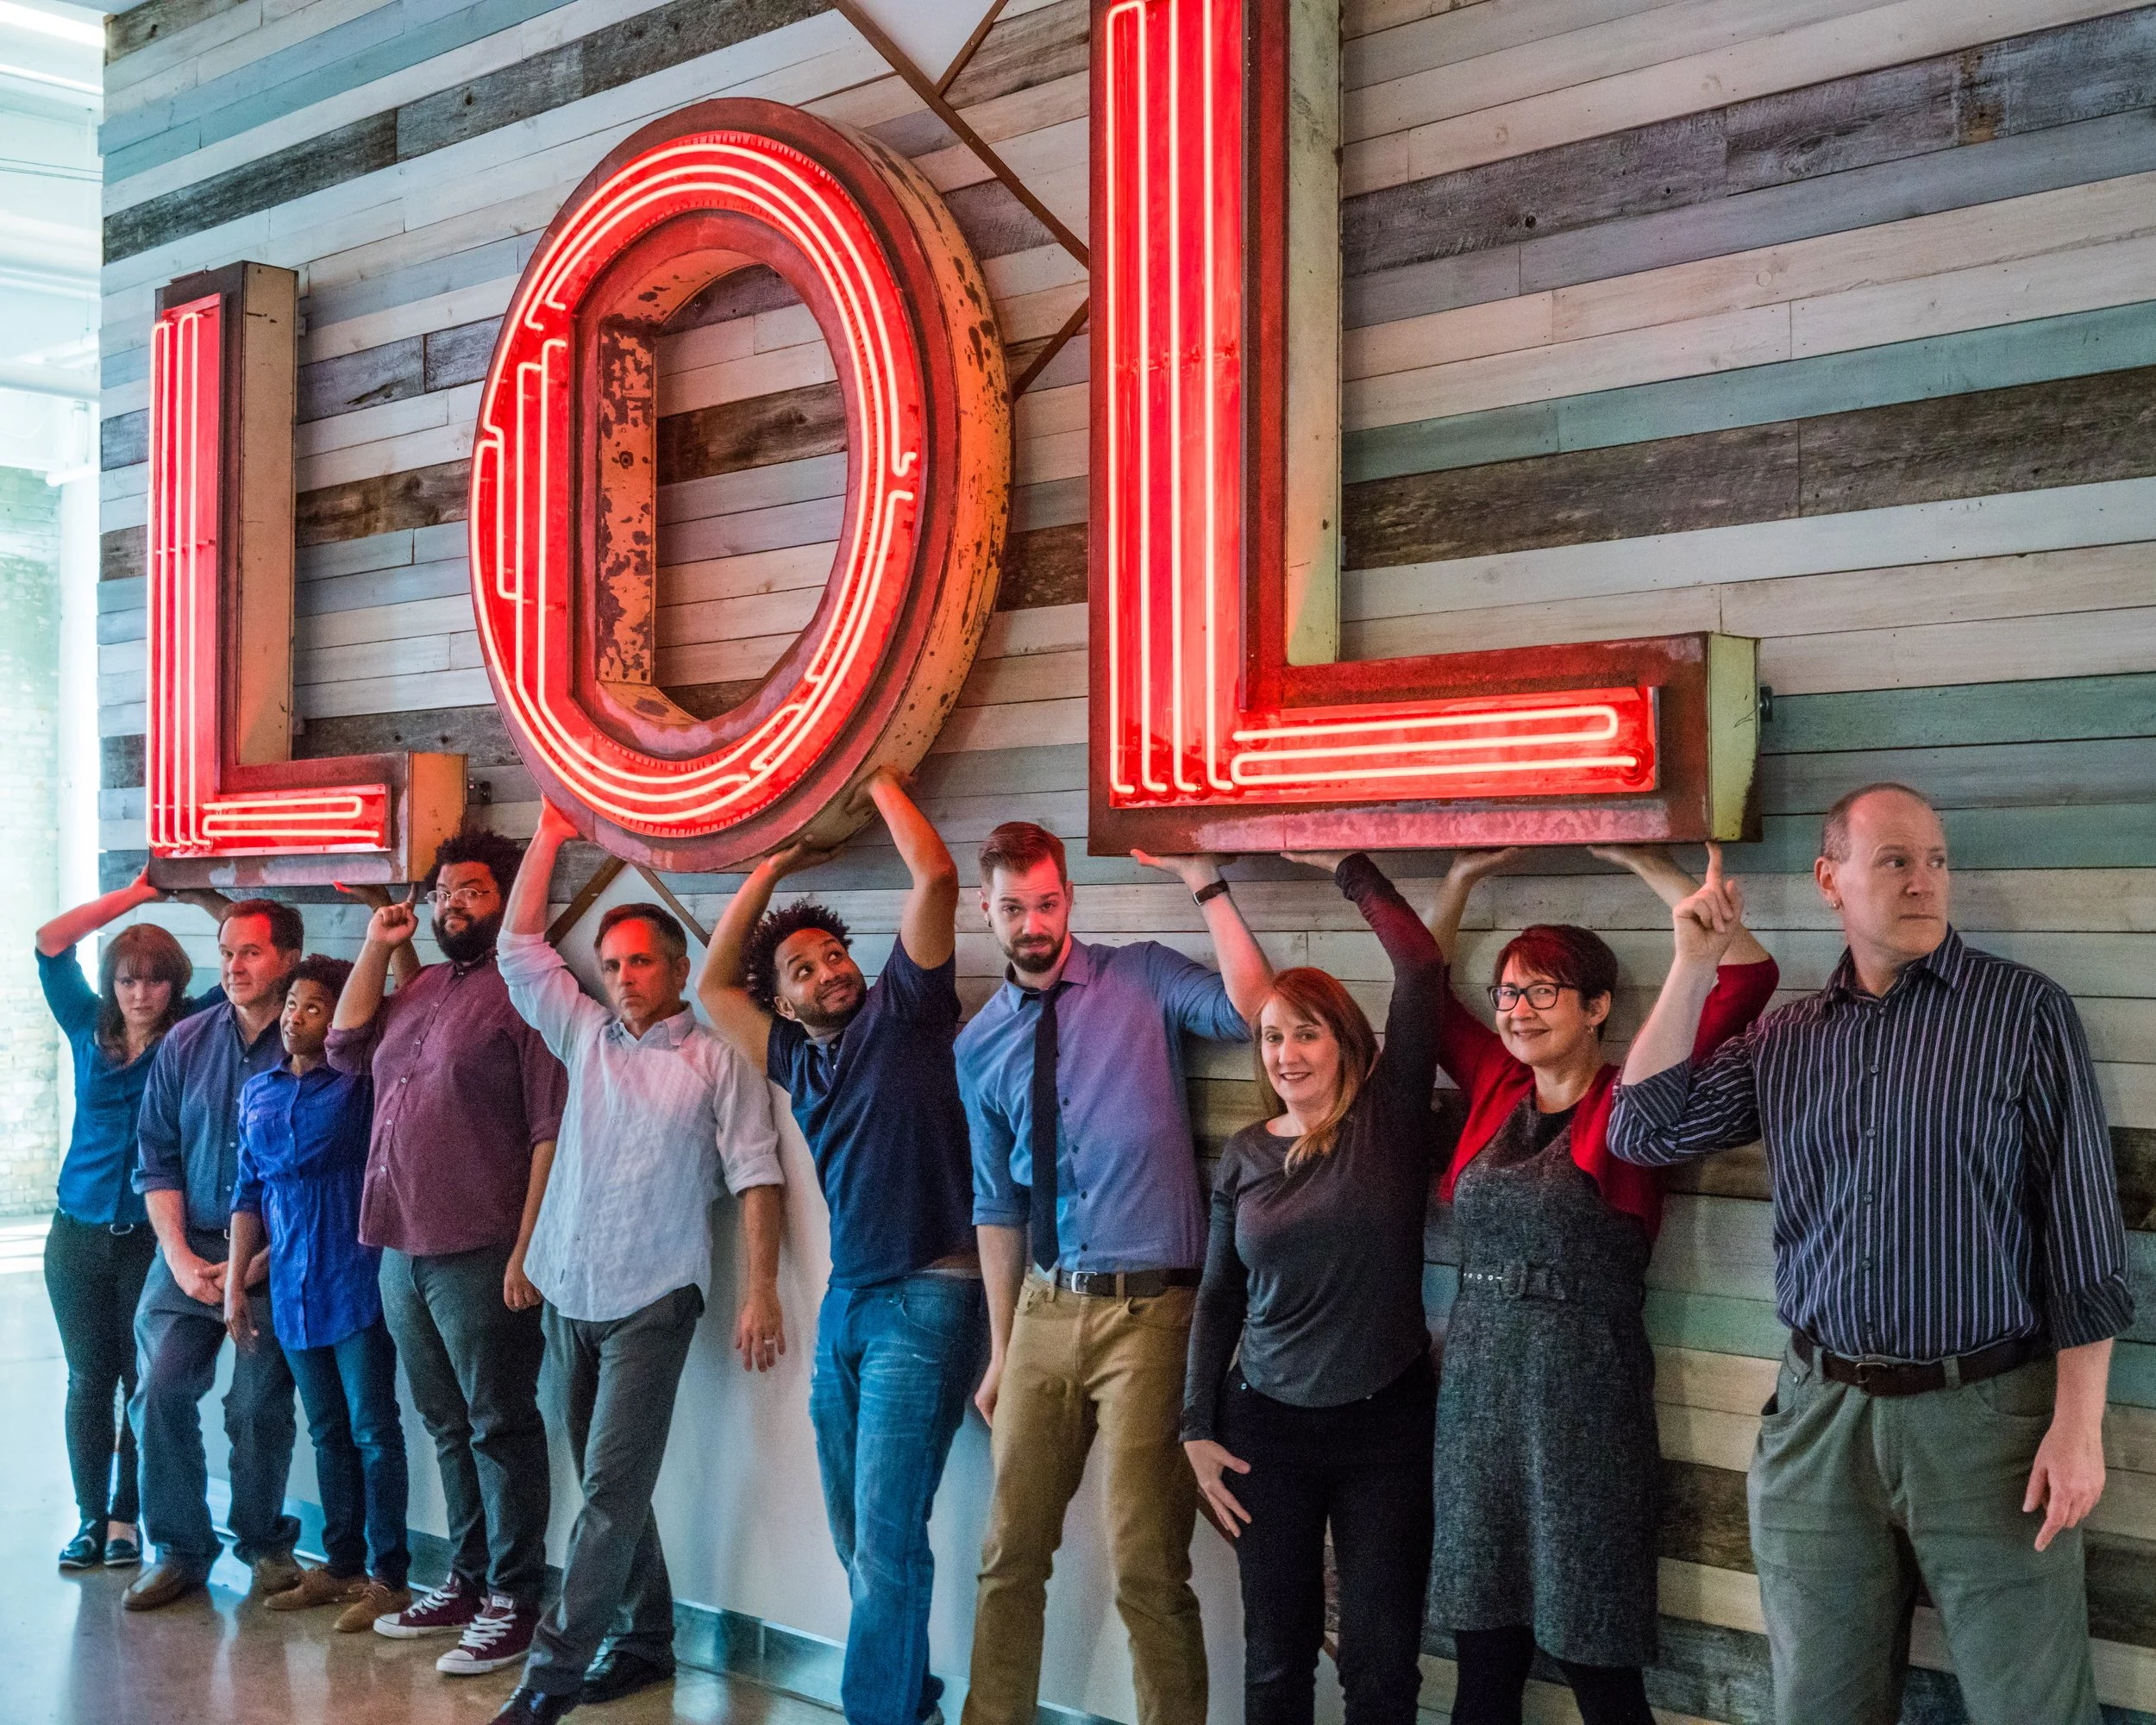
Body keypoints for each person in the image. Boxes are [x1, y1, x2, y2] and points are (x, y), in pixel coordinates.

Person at [1610, 785, 2132, 1725]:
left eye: (1935, 860)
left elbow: (2084, 1237)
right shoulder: (1788, 1036)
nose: (1923, 880)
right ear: (1829, 880)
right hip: (1820, 1421)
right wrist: (1692, 963)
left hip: (1989, 1422)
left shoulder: (2022, 1014)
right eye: (1893, 860)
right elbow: (1641, 1131)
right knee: (1820, 1702)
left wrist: (2077, 1424)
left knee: (2033, 1706)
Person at [1424, 844, 1779, 1725]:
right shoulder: (1493, 1083)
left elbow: (1747, 979)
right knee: (1482, 1657)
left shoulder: (1638, 1098)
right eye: (1508, 990)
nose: (1517, 1008)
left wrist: (1644, 862)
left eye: (1543, 989)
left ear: (1597, 1006)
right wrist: (1459, 881)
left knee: (1599, 1662)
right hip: (1474, 1394)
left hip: (1585, 1397)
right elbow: (1420, 993)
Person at [960, 823, 1274, 1725]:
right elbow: (996, 1204)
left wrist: (1204, 882)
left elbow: (1254, 1007)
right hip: (1044, 1310)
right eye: (1014, 905)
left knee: (1146, 1563)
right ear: (987, 909)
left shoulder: (1139, 975)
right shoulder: (976, 1045)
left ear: (1070, 900)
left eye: (1047, 900)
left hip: (1152, 1313)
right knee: (1008, 1552)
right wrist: (1001, 1346)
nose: (1032, 921)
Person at [490, 802, 788, 1725]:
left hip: (654, 1298)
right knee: (604, 1488)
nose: (622, 977)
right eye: (612, 963)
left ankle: (551, 1674)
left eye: (640, 961)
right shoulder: (583, 1036)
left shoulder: (715, 1057)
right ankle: (649, 1639)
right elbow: (517, 948)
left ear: (679, 968)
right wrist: (548, 833)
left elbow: (755, 1171)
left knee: (610, 1496)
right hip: (566, 1290)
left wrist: (762, 1290)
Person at [699, 766, 984, 1725]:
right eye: (805, 968)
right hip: (847, 1305)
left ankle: (881, 1713)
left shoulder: (907, 1012)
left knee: (890, 1534)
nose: (829, 971)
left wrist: (879, 774)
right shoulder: (794, 1059)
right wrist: (773, 863)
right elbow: (711, 983)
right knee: (858, 1529)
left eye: (833, 956)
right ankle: (912, 1695)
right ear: (783, 1004)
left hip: (932, 1299)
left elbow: (935, 878)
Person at [1181, 850, 1446, 1725]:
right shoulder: (1246, 1150)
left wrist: (1349, 867)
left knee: (1379, 1666)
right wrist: (1194, 1427)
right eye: (1271, 1034)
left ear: (1345, 1039)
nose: (1286, 1053)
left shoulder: (1391, 1117)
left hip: (1385, 1425)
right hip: (1267, 1429)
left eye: (1306, 1031)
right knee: (1275, 1664)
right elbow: (1219, 1297)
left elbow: (1419, 965)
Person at [328, 829, 567, 1675]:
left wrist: (527, 1249)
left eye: (469, 889)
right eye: (440, 892)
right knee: (443, 1421)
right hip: (399, 1238)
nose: (450, 903)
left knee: (500, 1423)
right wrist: (376, 941)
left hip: (482, 1243)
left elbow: (549, 1127)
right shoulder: (423, 982)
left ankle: (514, 1597)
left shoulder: (532, 990)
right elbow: (343, 1044)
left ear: (507, 897)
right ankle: (466, 1580)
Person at [34, 868, 228, 1571]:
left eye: (153, 980)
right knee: (91, 1380)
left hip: (154, 1238)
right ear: (112, 985)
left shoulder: (197, 1030)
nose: (139, 993)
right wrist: (141, 893)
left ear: (174, 984)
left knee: (144, 1385)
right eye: (126, 979)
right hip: (78, 1230)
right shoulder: (88, 1026)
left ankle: (126, 1521)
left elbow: (249, 964)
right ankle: (90, 1520)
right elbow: (51, 943)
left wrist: (204, 895)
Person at [124, 897, 310, 1611]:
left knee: (257, 1404)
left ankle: (264, 1545)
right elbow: (157, 1160)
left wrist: (253, 1265)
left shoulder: (311, 1044)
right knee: (161, 1392)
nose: (233, 966)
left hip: (274, 1253)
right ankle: (179, 1549)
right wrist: (174, 1256)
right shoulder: (185, 1043)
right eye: (227, 951)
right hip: (191, 1247)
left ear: (288, 959)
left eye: (251, 952)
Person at [225, 955, 411, 1633]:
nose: (296, 1018)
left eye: (315, 1008)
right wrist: (235, 1287)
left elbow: (388, 1012)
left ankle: (389, 1576)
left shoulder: (360, 1085)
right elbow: (248, 1192)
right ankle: (340, 1566)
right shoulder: (259, 1092)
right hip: (291, 1284)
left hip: (356, 1271)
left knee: (373, 1429)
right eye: (293, 1004)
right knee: (327, 1430)